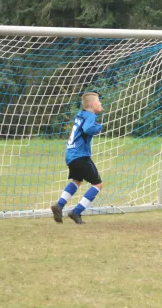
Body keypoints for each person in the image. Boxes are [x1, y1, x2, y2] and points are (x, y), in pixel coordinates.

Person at [51, 92, 104, 224]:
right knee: (98, 184)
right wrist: (99, 127)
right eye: (99, 101)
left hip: (70, 155)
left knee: (77, 181)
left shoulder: (80, 115)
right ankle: (76, 212)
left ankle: (59, 205)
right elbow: (87, 129)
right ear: (92, 104)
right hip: (81, 156)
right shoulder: (90, 115)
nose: (101, 103)